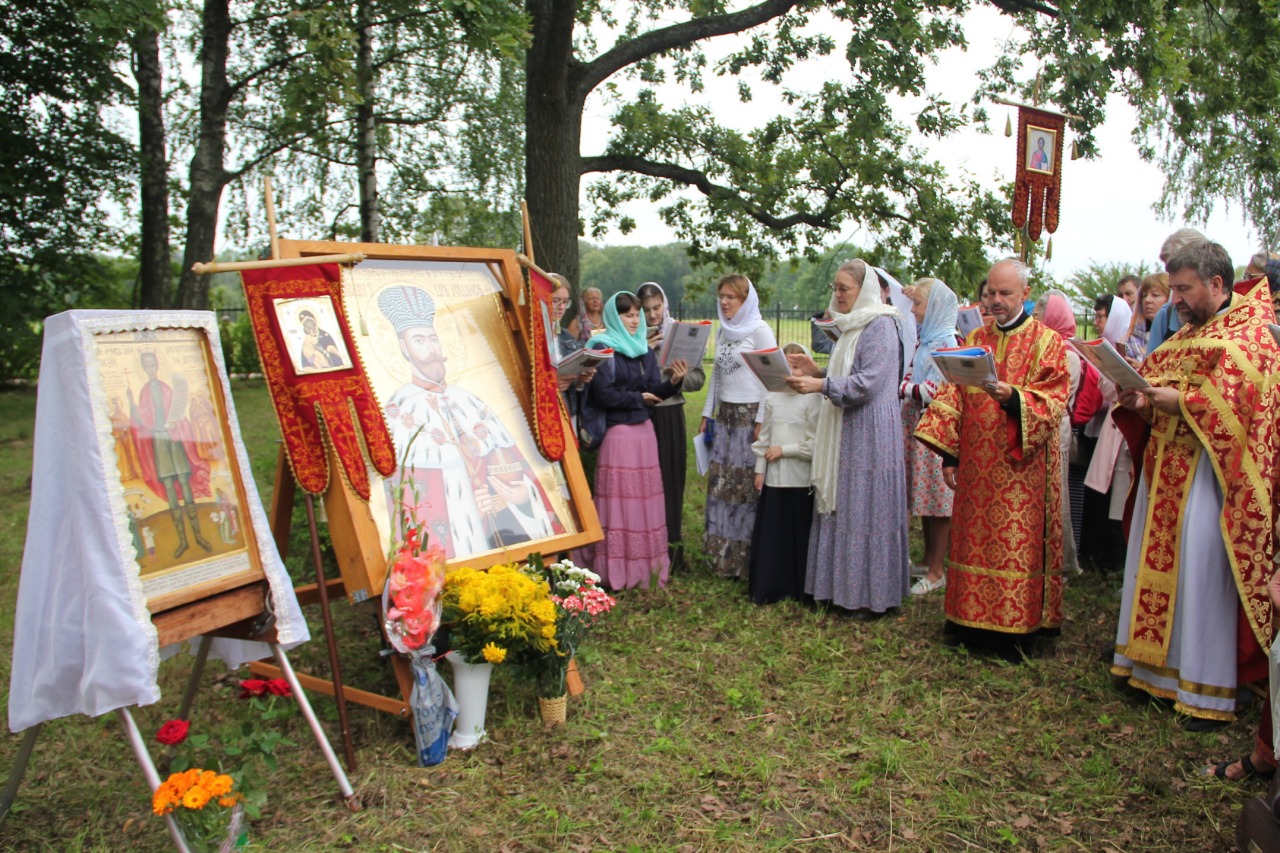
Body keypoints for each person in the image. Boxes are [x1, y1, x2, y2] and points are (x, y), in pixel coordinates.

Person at [1108, 240, 1280, 766]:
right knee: (1163, 569)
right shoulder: (1185, 336)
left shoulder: (1252, 334)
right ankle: (1150, 670)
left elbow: (1250, 405)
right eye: (1174, 288)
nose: (1175, 299)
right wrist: (1138, 397)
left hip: (1214, 479)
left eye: (1183, 289)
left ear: (1218, 285)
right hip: (1167, 472)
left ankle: (1202, 685)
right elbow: (1158, 388)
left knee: (1203, 574)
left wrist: (1180, 401)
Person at [914, 258, 1070, 655]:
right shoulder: (974, 341)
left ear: (1025, 294)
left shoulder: (1046, 342)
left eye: (1005, 293)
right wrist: (949, 456)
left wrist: (1013, 397)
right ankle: (968, 624)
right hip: (977, 469)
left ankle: (1015, 632)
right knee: (973, 543)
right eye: (990, 294)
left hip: (1022, 471)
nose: (996, 301)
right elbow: (953, 397)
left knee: (1016, 549)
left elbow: (1054, 400)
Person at [377, 285, 564, 559]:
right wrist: (468, 502)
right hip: (451, 546)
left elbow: (516, 467)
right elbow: (408, 499)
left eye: (433, 339)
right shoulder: (400, 409)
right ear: (403, 348)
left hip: (504, 533)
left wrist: (522, 495)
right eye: (419, 341)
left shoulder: (470, 402)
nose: (431, 349)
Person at [786, 260, 909, 615]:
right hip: (848, 428)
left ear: (863, 289)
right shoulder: (852, 325)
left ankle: (869, 597)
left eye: (844, 289)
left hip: (870, 432)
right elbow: (850, 372)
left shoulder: (880, 325)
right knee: (845, 509)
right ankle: (840, 591)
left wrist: (820, 385)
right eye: (834, 288)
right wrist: (818, 370)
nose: (837, 295)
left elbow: (867, 383)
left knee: (866, 512)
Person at [572, 292, 688, 589]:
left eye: (637, 315)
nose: (635, 321)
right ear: (614, 317)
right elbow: (603, 394)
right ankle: (616, 569)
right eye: (628, 315)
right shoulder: (601, 347)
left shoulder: (643, 350)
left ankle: (645, 570)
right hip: (619, 435)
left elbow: (653, 390)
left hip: (644, 433)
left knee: (644, 502)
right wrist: (639, 398)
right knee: (621, 504)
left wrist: (673, 381)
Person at [700, 274, 777, 579]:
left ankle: (744, 561)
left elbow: (773, 380)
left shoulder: (760, 331)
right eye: (721, 296)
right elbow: (717, 377)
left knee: (745, 488)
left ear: (746, 300)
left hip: (749, 419)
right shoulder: (724, 332)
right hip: (725, 418)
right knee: (722, 487)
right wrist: (708, 413)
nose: (724, 302)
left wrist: (761, 422)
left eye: (731, 297)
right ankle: (721, 558)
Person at [636, 282, 705, 572]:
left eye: (657, 308)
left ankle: (673, 552)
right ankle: (645, 554)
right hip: (641, 415)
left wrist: (678, 377)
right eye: (647, 310)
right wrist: (643, 352)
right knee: (644, 485)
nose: (653, 315)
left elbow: (698, 380)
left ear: (665, 305)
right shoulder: (633, 334)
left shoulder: (679, 332)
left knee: (671, 481)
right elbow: (626, 381)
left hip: (670, 413)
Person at [748, 342, 822, 604]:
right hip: (774, 482)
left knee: (798, 535)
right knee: (773, 534)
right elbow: (764, 438)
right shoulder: (772, 397)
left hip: (800, 481)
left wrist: (785, 450)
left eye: (798, 368)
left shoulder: (812, 400)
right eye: (788, 367)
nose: (793, 374)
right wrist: (760, 470)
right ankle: (769, 587)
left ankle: (799, 587)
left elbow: (815, 445)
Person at [899, 277, 959, 595]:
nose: (913, 310)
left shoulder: (947, 343)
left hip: (938, 430)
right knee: (925, 499)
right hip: (920, 427)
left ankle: (938, 570)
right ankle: (927, 560)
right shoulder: (927, 340)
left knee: (939, 502)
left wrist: (905, 389)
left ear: (934, 307)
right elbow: (911, 374)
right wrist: (909, 386)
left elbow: (932, 390)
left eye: (918, 304)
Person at [129, 349, 214, 559]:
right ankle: (183, 541)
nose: (150, 369)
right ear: (143, 368)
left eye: (152, 364)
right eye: (146, 366)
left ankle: (199, 536)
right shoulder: (145, 391)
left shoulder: (167, 388)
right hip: (159, 443)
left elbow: (178, 412)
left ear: (157, 365)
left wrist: (174, 423)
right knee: (169, 486)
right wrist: (131, 403)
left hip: (174, 441)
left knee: (185, 484)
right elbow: (142, 417)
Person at [1081, 295, 1134, 572]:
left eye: (1102, 317)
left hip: (1116, 431)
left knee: (1115, 498)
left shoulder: (1127, 353)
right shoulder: (1103, 350)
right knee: (1098, 497)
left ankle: (1113, 561)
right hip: (1099, 431)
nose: (1098, 323)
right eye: (1097, 317)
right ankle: (1097, 555)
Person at [1033, 291, 1082, 576]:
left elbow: (1057, 397)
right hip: (1039, 426)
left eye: (1040, 316)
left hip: (1055, 430)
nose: (1036, 321)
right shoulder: (1045, 346)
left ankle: (1062, 562)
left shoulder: (1066, 353)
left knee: (1057, 499)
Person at [1146, 228, 1207, 353]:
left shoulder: (1236, 313)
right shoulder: (1166, 315)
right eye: (1169, 271)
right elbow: (1149, 368)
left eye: (1178, 269)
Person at [1121, 273, 1170, 359]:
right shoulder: (1132, 337)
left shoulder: (1178, 336)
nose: (1147, 300)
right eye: (1144, 296)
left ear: (1169, 299)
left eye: (1155, 295)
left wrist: (1145, 367)